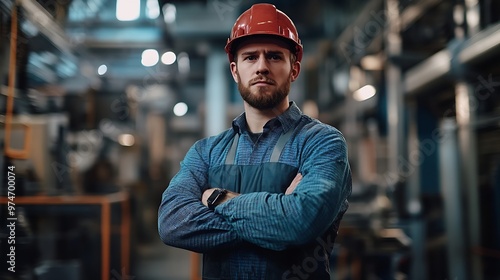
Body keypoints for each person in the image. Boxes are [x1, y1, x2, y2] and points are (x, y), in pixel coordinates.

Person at [158, 3, 352, 279]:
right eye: (250, 57)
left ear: (294, 69)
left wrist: (218, 198)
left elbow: (300, 222)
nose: (262, 67)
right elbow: (172, 224)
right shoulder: (206, 152)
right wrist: (277, 218)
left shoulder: (322, 142)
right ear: (235, 71)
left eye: (274, 56)